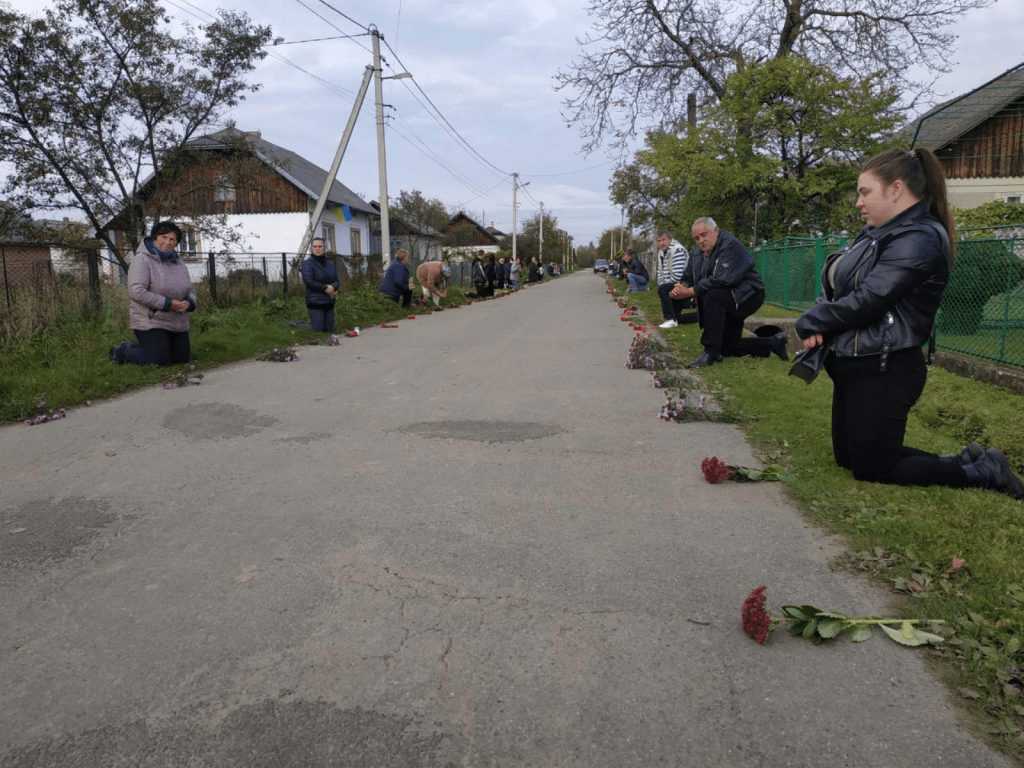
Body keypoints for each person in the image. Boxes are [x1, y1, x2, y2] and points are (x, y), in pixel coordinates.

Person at [794, 147, 1024, 498]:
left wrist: (811, 320)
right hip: (854, 364)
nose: (858, 202)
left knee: (875, 469)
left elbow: (869, 299)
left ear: (897, 189)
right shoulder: (873, 233)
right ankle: (964, 460)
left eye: (865, 192)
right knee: (848, 459)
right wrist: (821, 320)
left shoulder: (920, 238)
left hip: (885, 368)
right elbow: (838, 287)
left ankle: (984, 471)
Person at [673, 218, 788, 368]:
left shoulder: (730, 245)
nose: (701, 240)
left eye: (704, 234)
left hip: (748, 294)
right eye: (697, 238)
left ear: (716, 230)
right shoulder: (697, 255)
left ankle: (710, 352)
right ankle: (772, 343)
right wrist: (681, 287)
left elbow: (724, 279)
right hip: (728, 297)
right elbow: (688, 277)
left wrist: (691, 291)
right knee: (728, 347)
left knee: (712, 295)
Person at [110, 220, 196, 366]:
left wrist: (189, 302)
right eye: (164, 237)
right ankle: (121, 352)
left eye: (172, 239)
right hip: (150, 320)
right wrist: (168, 304)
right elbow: (136, 291)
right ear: (155, 238)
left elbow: (191, 290)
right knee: (159, 361)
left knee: (181, 359)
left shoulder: (180, 264)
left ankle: (156, 348)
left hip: (177, 321)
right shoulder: (142, 259)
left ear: (176, 243)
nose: (167, 242)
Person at [655, 230, 695, 328]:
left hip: (684, 283)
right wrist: (662, 284)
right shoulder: (661, 252)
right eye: (659, 241)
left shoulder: (677, 249)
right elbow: (660, 271)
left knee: (663, 289)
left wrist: (665, 287)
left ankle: (670, 318)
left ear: (670, 239)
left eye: (663, 240)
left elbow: (678, 275)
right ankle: (698, 316)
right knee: (678, 318)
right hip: (673, 283)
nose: (661, 243)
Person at [300, 237, 339, 331]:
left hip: (328, 301)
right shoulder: (307, 264)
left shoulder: (330, 263)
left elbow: (337, 281)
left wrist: (333, 286)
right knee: (317, 329)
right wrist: (325, 288)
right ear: (312, 248)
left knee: (329, 330)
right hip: (315, 301)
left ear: (324, 248)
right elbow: (309, 282)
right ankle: (297, 325)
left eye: (320, 246)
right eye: (315, 246)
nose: (317, 248)